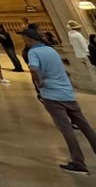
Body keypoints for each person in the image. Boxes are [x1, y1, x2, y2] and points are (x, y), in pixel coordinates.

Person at [21, 24, 96, 174]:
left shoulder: (33, 52)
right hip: (67, 93)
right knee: (86, 126)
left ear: (29, 40)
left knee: (66, 129)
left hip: (52, 95)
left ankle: (78, 162)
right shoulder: (51, 49)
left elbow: (33, 68)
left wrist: (39, 83)